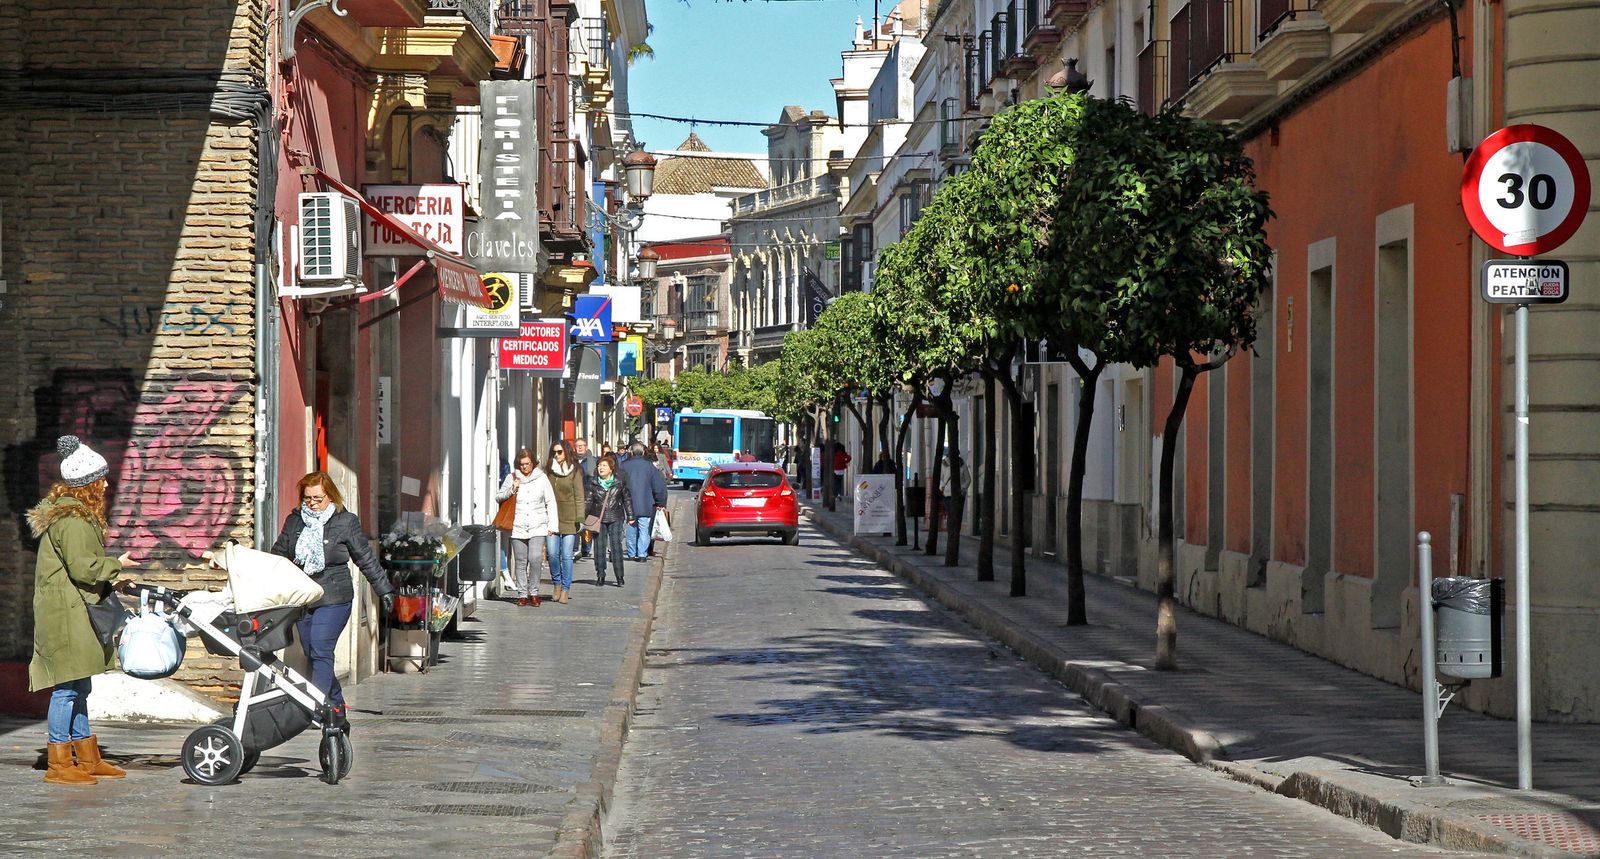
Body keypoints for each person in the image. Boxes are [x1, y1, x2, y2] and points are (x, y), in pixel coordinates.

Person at [28, 435, 138, 785]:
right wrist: (115, 565)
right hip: (65, 613)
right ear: (88, 483)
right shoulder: (73, 520)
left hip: (75, 608)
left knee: (81, 684)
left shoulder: (77, 515)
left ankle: (86, 757)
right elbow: (83, 568)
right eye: (101, 478)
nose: (107, 483)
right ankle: (59, 764)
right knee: (67, 687)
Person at [270, 471, 394, 731]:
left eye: (318, 498)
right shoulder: (295, 521)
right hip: (303, 597)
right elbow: (278, 555)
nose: (313, 504)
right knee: (314, 655)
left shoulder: (345, 521)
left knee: (321, 649)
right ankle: (337, 712)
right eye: (308, 499)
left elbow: (365, 558)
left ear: (330, 496)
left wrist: (384, 590)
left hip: (334, 597)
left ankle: (316, 706)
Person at [495, 448, 559, 607]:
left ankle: (534, 592)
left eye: (527, 464)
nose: (524, 467)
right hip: (518, 525)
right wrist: (512, 489)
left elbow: (550, 501)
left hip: (538, 525)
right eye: (522, 464)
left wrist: (552, 525)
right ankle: (523, 594)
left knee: (535, 558)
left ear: (533, 464)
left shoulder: (542, 478)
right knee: (521, 561)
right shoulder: (512, 478)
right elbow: (499, 497)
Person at [543, 440, 585, 603]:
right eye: (554, 452)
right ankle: (556, 584)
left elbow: (580, 497)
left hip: (570, 518)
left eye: (559, 452)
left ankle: (566, 589)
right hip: (552, 518)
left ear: (566, 452)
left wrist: (580, 518)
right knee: (553, 554)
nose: (556, 455)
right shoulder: (549, 471)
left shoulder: (575, 471)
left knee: (567, 555)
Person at [585, 454, 634, 587]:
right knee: (599, 547)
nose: (601, 468)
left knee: (616, 546)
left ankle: (619, 576)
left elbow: (627, 499)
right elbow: (588, 501)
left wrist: (630, 516)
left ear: (611, 468)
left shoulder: (619, 481)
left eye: (604, 466)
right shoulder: (593, 482)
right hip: (598, 518)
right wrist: (581, 518)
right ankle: (600, 575)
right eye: (599, 465)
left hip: (615, 517)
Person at [618, 442, 667, 561]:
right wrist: (661, 502)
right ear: (643, 452)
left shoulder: (623, 466)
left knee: (630, 528)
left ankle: (631, 552)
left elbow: (618, 484)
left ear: (631, 452)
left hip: (628, 503)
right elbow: (658, 486)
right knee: (644, 529)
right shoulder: (650, 467)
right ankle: (642, 554)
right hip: (645, 503)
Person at [573, 439, 598, 559]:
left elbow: (594, 477)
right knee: (577, 521)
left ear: (586, 447)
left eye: (582, 446)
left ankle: (586, 548)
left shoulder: (592, 460)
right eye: (578, 446)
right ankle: (574, 548)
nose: (580, 448)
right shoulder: (572, 460)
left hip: (588, 494)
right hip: (575, 495)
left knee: (587, 522)